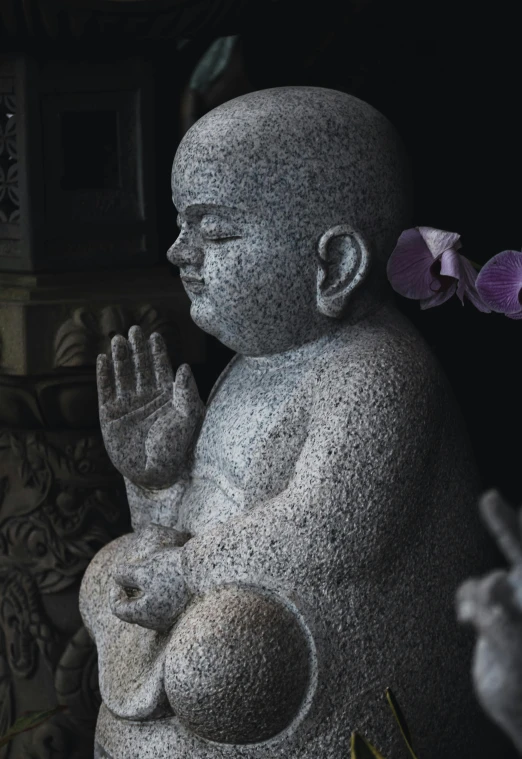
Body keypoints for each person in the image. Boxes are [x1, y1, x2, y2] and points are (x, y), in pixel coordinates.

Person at [81, 87, 497, 758]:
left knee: (220, 652)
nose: (179, 252)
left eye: (213, 232)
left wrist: (187, 572)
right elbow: (204, 519)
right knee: (112, 569)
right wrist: (156, 482)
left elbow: (328, 527)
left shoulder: (378, 372)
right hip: (237, 631)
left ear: (335, 265)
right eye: (181, 225)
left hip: (345, 671)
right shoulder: (249, 367)